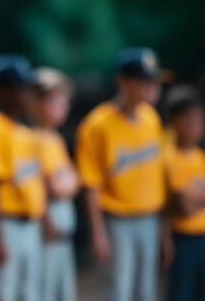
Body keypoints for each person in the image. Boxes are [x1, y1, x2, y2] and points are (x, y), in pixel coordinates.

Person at [76, 47, 165, 301]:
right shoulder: (97, 125)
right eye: (144, 80)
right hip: (116, 222)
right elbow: (90, 184)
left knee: (146, 291)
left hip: (149, 218)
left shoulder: (151, 118)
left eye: (154, 80)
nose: (152, 87)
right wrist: (98, 232)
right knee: (118, 291)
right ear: (122, 81)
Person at [0, 55, 45, 301]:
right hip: (4, 225)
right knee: (1, 293)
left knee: (28, 294)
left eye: (28, 89)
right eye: (19, 89)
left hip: (28, 225)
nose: (26, 95)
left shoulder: (24, 131)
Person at [32, 67, 79, 301]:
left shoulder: (57, 139)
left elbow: (74, 181)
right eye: (57, 102)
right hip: (49, 224)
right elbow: (52, 187)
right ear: (37, 104)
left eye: (65, 102)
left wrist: (66, 183)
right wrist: (66, 183)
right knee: (45, 288)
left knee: (64, 289)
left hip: (64, 225)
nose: (64, 108)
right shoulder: (35, 139)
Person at [162, 85, 205, 301]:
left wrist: (193, 196)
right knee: (182, 293)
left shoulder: (200, 157)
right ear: (173, 123)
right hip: (182, 240)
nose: (196, 125)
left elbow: (190, 200)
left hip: (203, 238)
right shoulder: (169, 158)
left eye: (199, 118)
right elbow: (185, 207)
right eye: (189, 119)